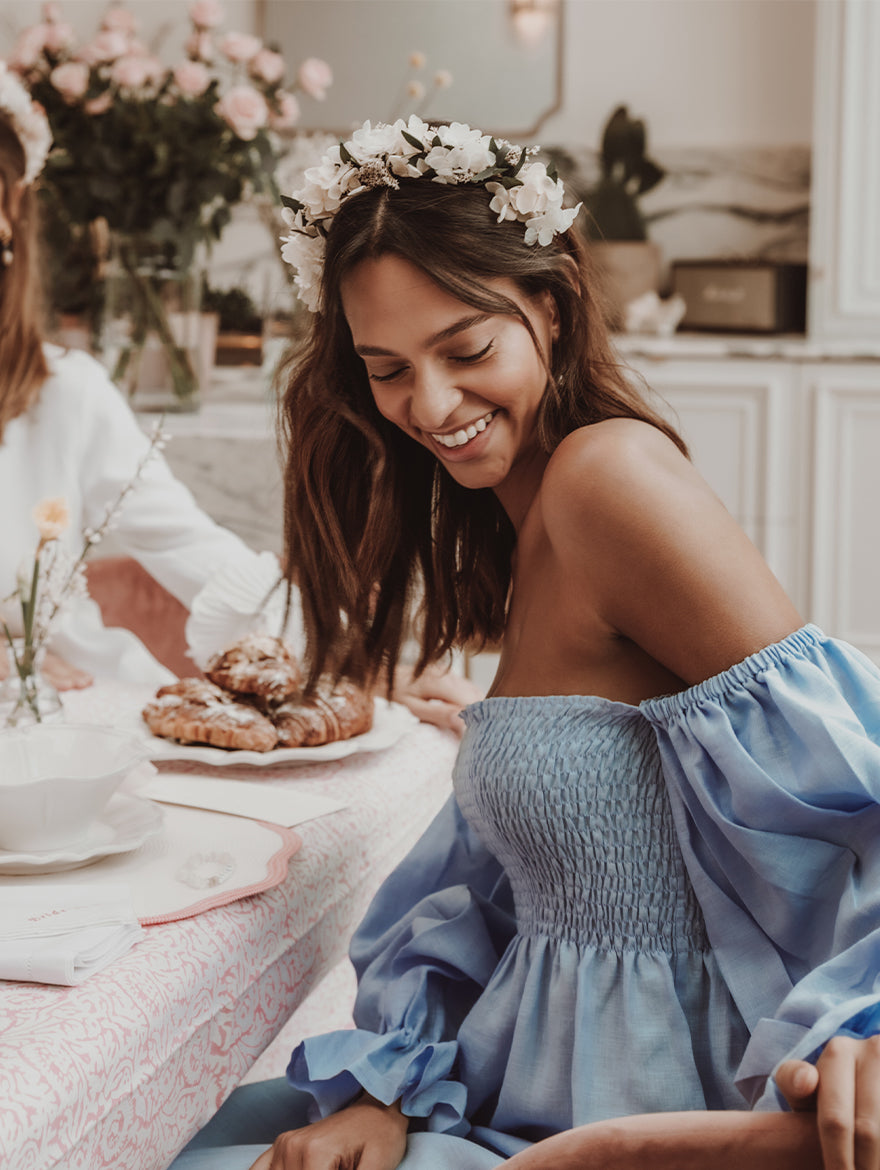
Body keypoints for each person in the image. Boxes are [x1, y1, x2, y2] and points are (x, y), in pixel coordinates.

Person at [167, 116, 880, 1170]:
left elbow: (851, 790)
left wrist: (862, 1039)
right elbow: (508, 882)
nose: (432, 404)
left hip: (637, 1121)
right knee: (182, 1128)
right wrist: (388, 1089)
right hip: (516, 1083)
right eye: (387, 368)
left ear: (549, 306)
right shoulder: (523, 522)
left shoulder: (607, 482)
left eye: (466, 349)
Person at [0, 66, 476, 730]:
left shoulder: (63, 394)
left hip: (74, 727)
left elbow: (199, 557)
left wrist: (357, 662)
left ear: (8, 214)